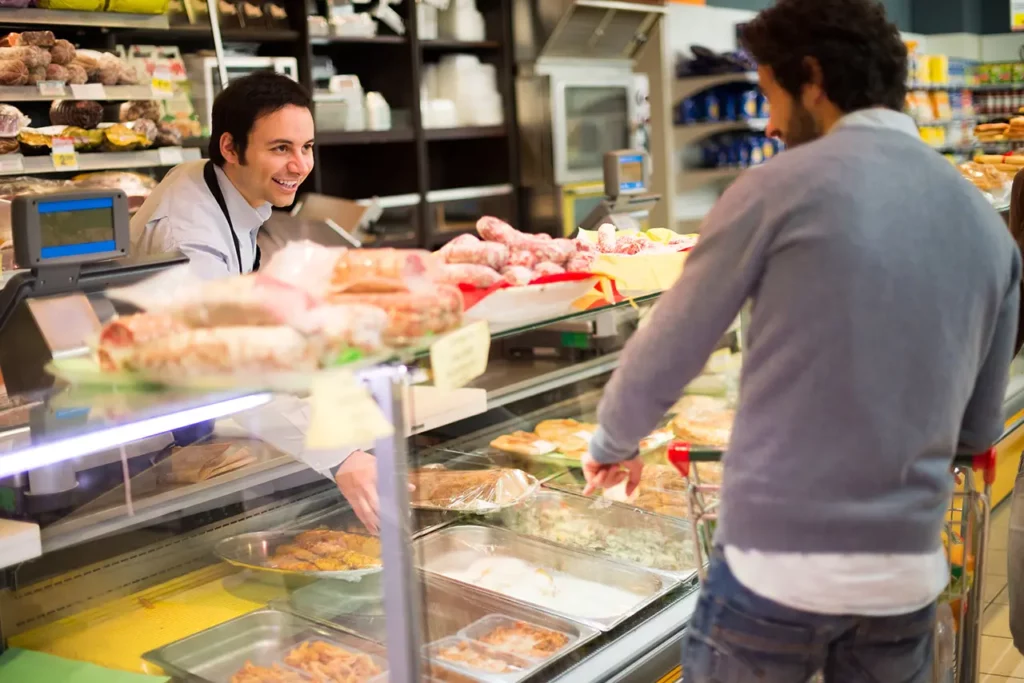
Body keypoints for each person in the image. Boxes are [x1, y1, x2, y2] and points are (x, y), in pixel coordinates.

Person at [582, 0, 1021, 681]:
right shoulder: (986, 225)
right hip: (902, 583)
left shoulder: (773, 188)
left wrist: (612, 443)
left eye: (770, 93)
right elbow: (979, 427)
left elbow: (669, 347)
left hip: (773, 575)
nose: (769, 121)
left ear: (812, 78)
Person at [131, 71, 383, 532]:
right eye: (280, 148)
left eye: (306, 147)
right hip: (154, 452)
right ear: (231, 148)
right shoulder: (190, 236)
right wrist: (341, 456)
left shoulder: (216, 185)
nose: (300, 165)